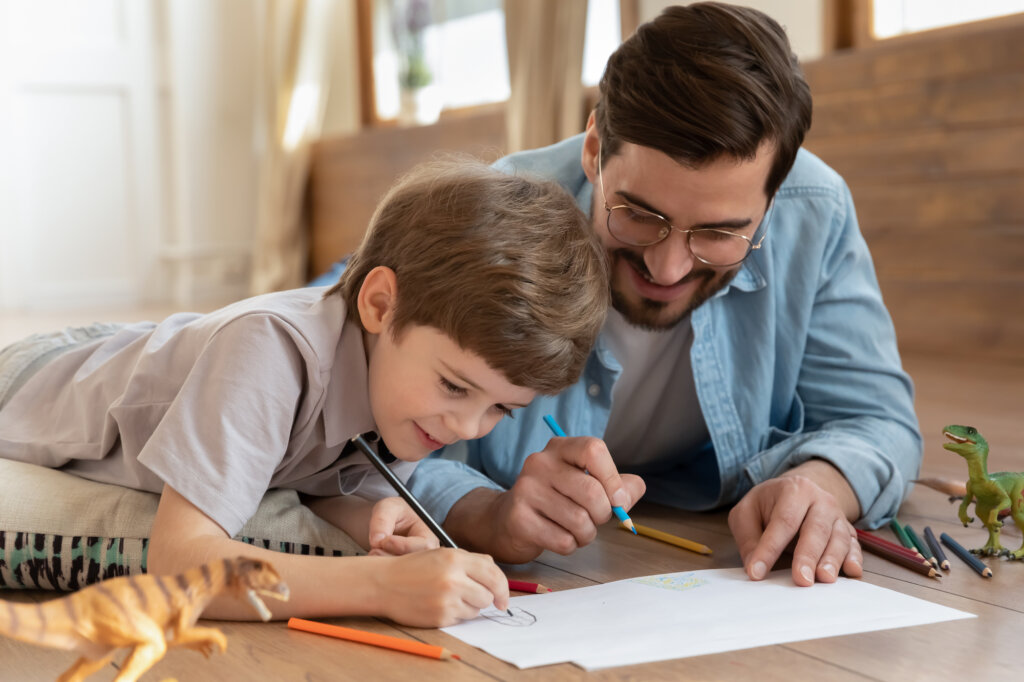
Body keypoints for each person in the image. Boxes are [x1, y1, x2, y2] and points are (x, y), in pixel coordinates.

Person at [400, 2, 923, 586]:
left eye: (720, 233)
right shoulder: (493, 217)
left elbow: (877, 420)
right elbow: (368, 441)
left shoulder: (814, 211)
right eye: (639, 215)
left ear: (772, 199)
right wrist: (486, 513)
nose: (667, 268)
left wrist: (822, 484)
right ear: (595, 150)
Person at [0, 158, 611, 626]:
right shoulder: (268, 353)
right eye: (455, 385)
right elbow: (178, 562)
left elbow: (309, 477)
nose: (468, 428)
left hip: (155, 345)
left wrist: (372, 516)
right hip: (35, 375)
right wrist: (381, 588)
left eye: (501, 409)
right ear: (379, 305)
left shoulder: (401, 386)